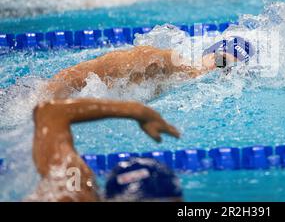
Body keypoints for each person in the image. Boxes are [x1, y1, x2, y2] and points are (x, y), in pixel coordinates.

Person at [28, 97, 182, 202]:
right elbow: (50, 111)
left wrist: (137, 111)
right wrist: (137, 110)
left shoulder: (76, 188)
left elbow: (51, 113)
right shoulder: (69, 196)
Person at [46, 36, 255, 99]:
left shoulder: (179, 80)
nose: (220, 69)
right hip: (55, 93)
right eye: (221, 61)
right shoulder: (165, 60)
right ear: (207, 53)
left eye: (227, 69)